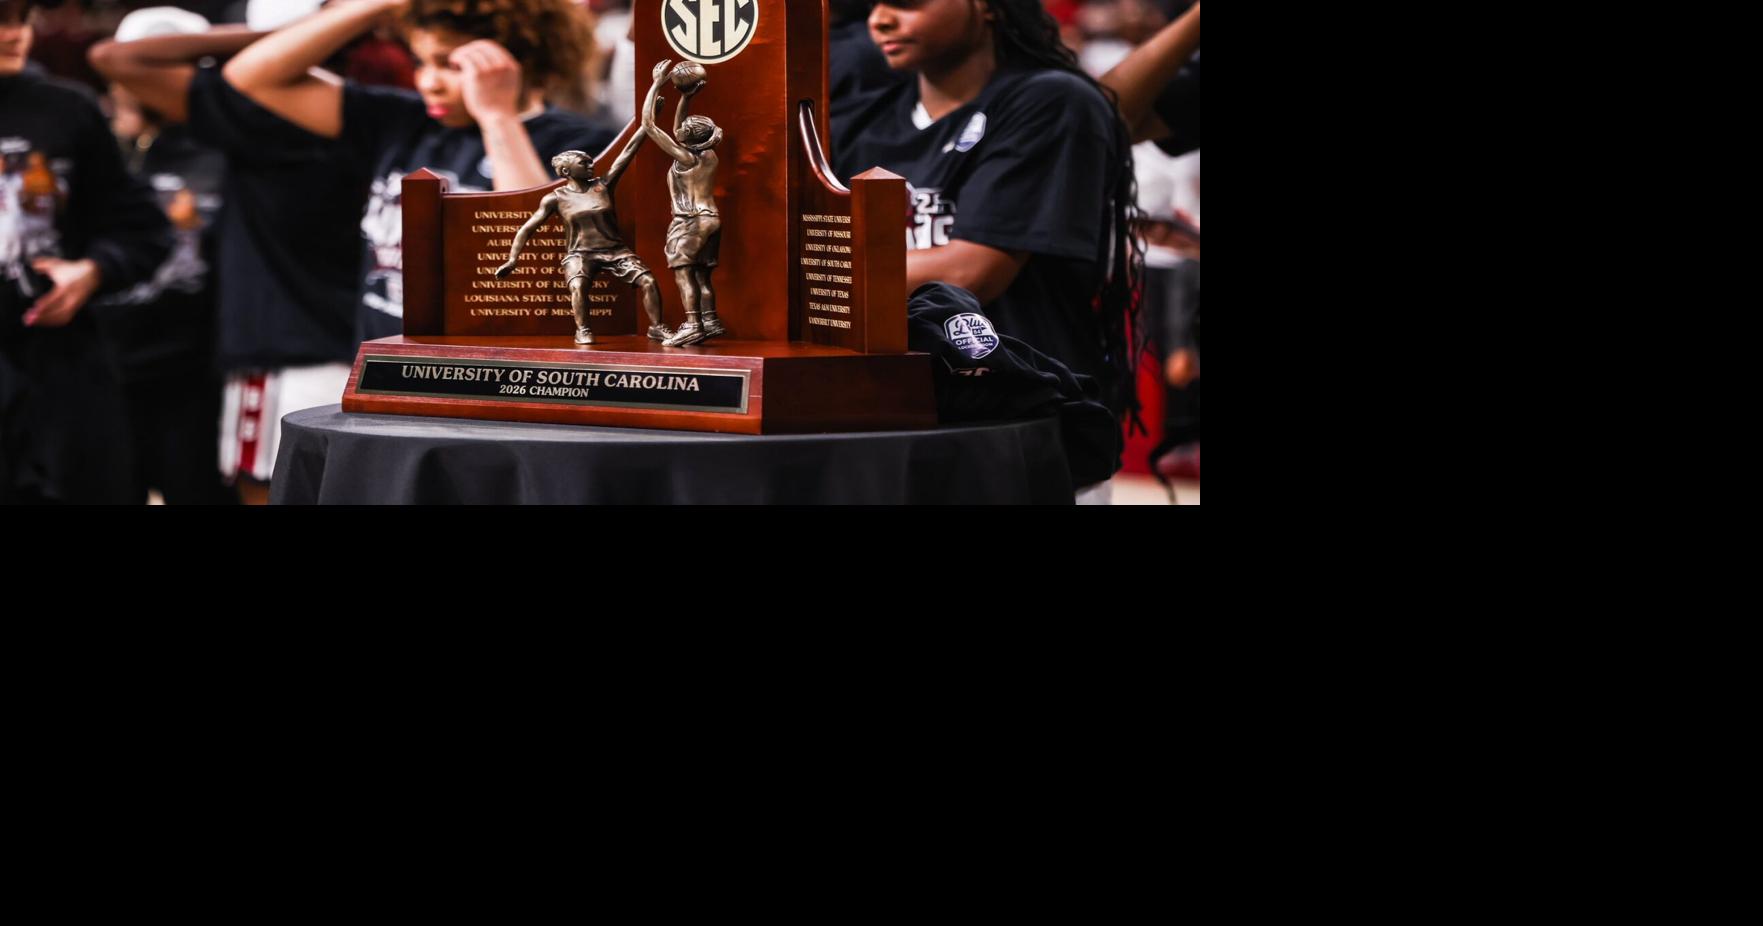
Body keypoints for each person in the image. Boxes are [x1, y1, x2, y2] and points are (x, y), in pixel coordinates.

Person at [831, 0, 1143, 492]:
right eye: (876, 4)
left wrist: (818, 272)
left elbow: (971, 272)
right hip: (903, 423)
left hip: (1021, 430)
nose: (881, 19)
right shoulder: (864, 114)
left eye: (907, 3)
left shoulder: (1054, 100)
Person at [89, 9, 377, 502]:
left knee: (271, 490)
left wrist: (278, 42)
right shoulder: (386, 113)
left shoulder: (257, 124)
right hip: (350, 348)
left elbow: (117, 58)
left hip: (286, 355)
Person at [221, 0, 618, 346]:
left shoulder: (576, 142)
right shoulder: (406, 121)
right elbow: (251, 78)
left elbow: (539, 257)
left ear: (519, 60)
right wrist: (379, 6)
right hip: (386, 371)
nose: (428, 82)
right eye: (420, 61)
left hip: (484, 379)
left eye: (449, 64)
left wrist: (497, 116)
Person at [2, 0, 174, 503]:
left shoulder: (67, 108)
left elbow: (141, 229)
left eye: (21, 19)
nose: (15, 35)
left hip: (59, 371)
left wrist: (93, 271)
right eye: (0, 21)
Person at [495, 141, 669, 344]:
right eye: (583, 163)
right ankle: (583, 329)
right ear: (566, 170)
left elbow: (627, 152)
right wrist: (512, 260)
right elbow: (526, 229)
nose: (591, 165)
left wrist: (646, 125)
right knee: (578, 285)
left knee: (648, 280)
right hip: (580, 254)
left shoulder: (602, 185)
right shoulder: (555, 198)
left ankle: (657, 327)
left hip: (615, 250)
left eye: (590, 161)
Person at [642, 59, 723, 347]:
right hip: (711, 218)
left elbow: (649, 125)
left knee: (683, 274)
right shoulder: (708, 154)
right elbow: (678, 131)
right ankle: (710, 320)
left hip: (689, 221)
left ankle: (692, 324)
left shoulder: (685, 159)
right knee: (702, 275)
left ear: (689, 138)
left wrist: (656, 83)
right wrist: (686, 99)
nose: (680, 129)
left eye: (685, 128)